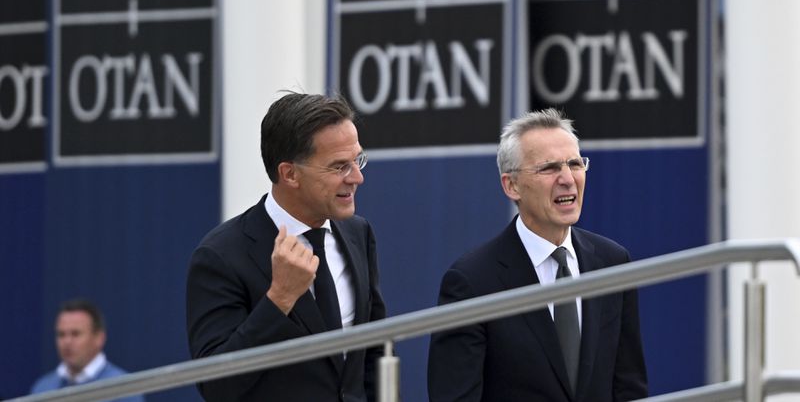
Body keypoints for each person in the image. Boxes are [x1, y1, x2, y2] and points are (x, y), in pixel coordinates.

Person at [427, 108, 648, 401]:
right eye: (549, 168)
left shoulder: (612, 262)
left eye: (575, 163)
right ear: (511, 185)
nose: (568, 178)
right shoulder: (471, 282)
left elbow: (628, 386)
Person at [186, 92, 387, 402]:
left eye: (357, 160)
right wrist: (279, 298)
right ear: (290, 174)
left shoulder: (358, 233)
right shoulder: (221, 256)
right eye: (339, 167)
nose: (357, 177)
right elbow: (216, 386)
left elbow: (374, 346)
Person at [30, 299, 144, 402]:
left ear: (99, 338)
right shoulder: (43, 388)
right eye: (61, 334)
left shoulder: (124, 388)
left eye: (75, 334)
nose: (67, 342)